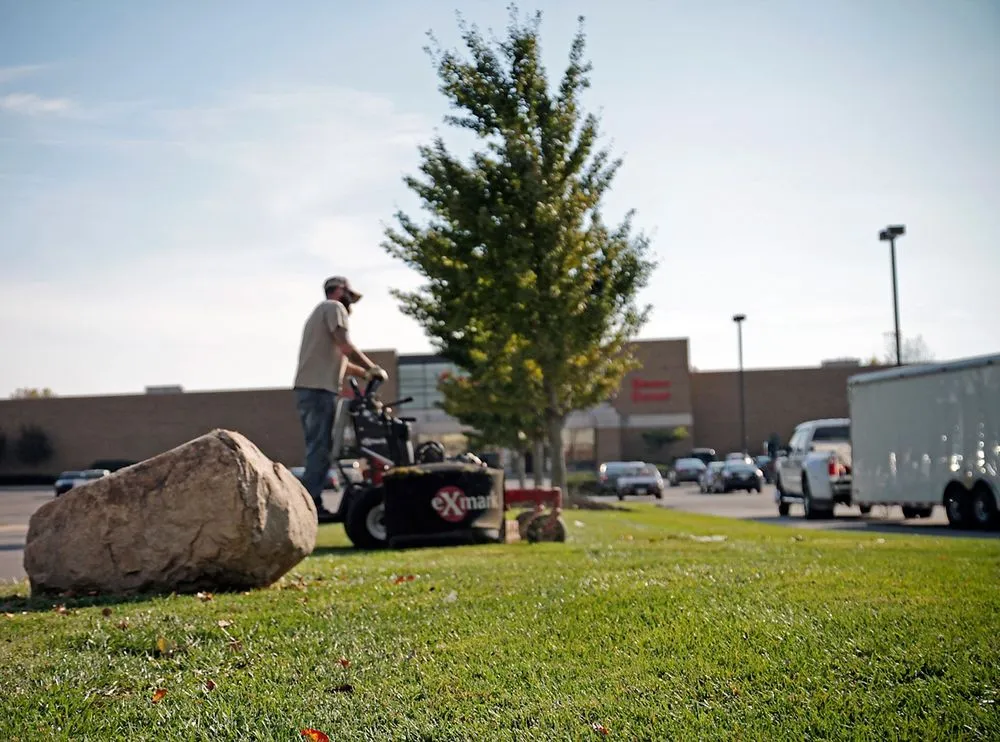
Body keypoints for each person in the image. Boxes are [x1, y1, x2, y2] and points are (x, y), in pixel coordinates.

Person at [293, 275, 387, 521]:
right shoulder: (333, 308)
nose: (351, 304)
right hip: (317, 390)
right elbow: (345, 345)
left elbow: (341, 363)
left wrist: (366, 373)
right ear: (339, 291)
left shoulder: (320, 315)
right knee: (320, 449)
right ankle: (309, 504)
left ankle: (311, 501)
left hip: (314, 389)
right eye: (349, 297)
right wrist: (372, 366)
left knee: (322, 448)